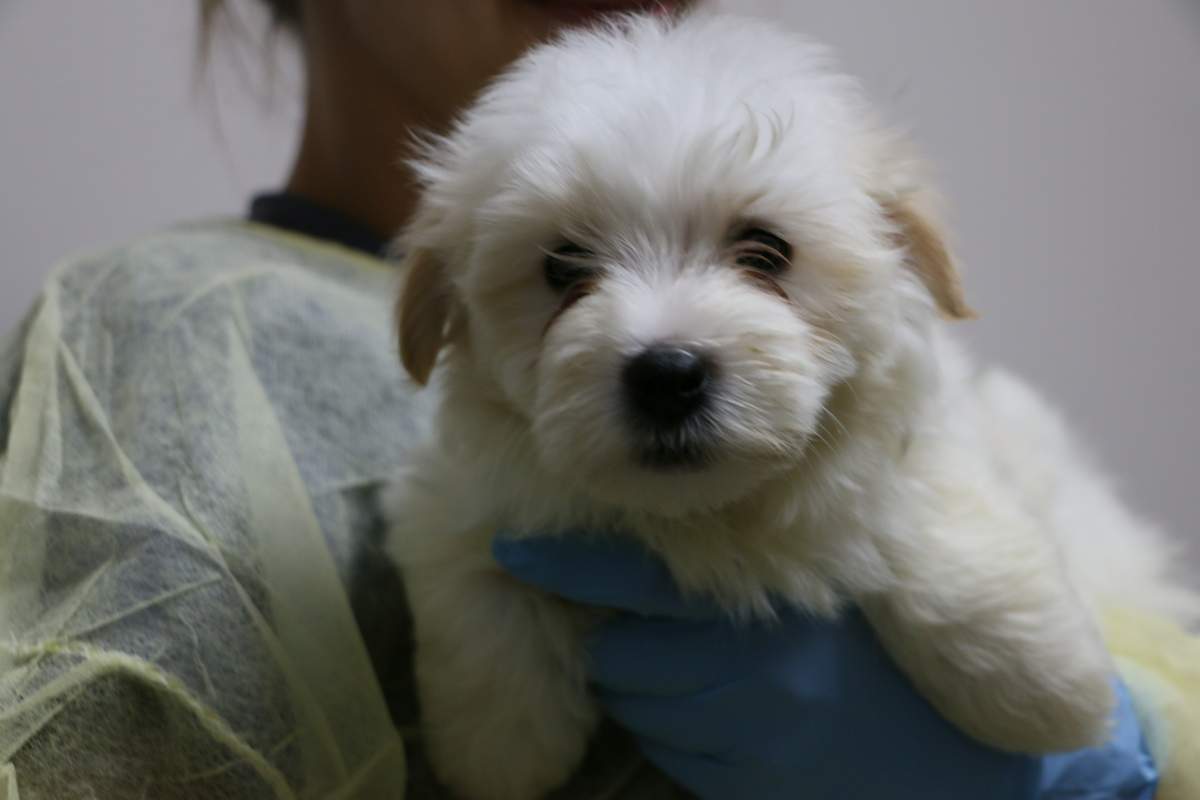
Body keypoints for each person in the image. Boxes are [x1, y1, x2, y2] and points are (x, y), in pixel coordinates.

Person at [0, 2, 1194, 798]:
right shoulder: (163, 341)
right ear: (441, 313)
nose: (662, 339)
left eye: (761, 255)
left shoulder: (900, 354)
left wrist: (1108, 768)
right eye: (568, 272)